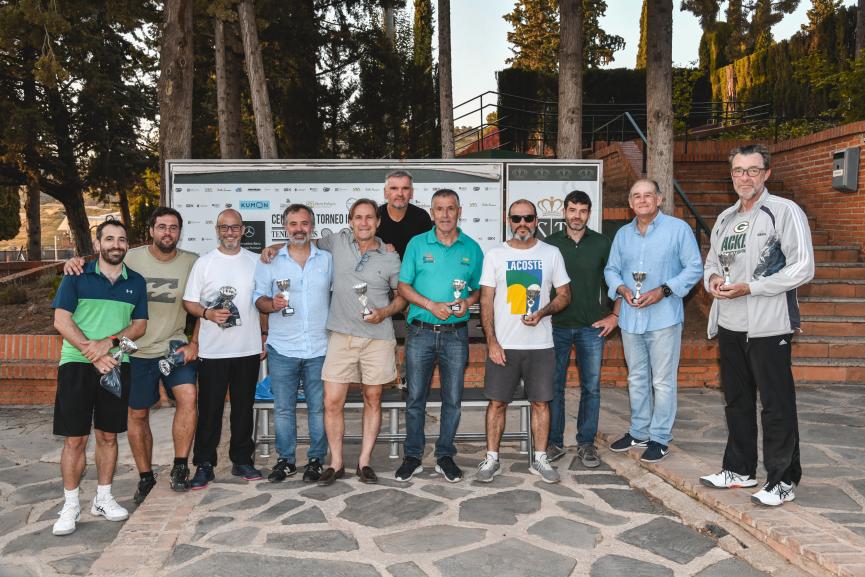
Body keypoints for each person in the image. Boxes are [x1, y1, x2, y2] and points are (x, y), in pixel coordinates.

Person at [699, 144, 814, 507]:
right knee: (737, 400)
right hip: (730, 322)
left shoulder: (784, 211)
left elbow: (803, 267)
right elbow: (711, 263)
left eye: (752, 170)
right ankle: (739, 469)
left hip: (770, 324)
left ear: (766, 173)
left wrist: (752, 287)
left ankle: (783, 480)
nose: (744, 177)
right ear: (731, 175)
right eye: (738, 170)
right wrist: (713, 280)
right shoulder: (725, 218)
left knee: (776, 405)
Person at [63, 207, 200, 502]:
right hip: (133, 351)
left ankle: (180, 466)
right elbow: (102, 261)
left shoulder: (193, 262)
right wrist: (74, 261)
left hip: (173, 346)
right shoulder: (130, 257)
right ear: (151, 230)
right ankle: (145, 476)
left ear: (180, 232)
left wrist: (195, 342)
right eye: (161, 226)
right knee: (137, 414)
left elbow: (203, 303)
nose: (167, 232)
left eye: (173, 227)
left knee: (188, 396)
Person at [51, 220, 147, 536]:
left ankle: (103, 498)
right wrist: (93, 353)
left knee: (108, 436)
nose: (116, 244)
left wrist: (110, 342)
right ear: (97, 244)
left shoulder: (136, 282)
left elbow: (139, 326)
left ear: (127, 245)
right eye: (109, 239)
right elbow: (61, 321)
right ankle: (70, 505)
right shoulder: (76, 275)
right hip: (76, 365)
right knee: (75, 439)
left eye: (121, 239)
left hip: (117, 365)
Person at [604, 179, 703, 463]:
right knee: (636, 378)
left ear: (659, 199)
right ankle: (639, 432)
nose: (643, 200)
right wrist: (621, 288)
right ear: (630, 203)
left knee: (662, 381)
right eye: (636, 196)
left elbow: (694, 267)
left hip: (664, 317)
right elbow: (611, 269)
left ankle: (659, 437)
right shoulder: (623, 234)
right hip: (631, 318)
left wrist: (664, 290)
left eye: (648, 195)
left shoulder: (678, 229)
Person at [476, 199, 571, 484]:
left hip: (540, 345)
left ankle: (540, 459)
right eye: (516, 218)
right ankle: (491, 458)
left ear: (536, 221)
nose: (522, 223)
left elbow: (565, 295)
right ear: (509, 221)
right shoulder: (495, 255)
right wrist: (492, 342)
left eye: (528, 218)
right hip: (504, 345)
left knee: (541, 403)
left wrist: (543, 312)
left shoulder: (551, 253)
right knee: (497, 403)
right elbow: (486, 301)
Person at [394, 189, 484, 483]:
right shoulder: (417, 244)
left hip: (455, 336)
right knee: (415, 398)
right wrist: (431, 305)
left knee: (453, 399)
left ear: (459, 211)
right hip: (420, 332)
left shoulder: (472, 248)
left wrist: (467, 302)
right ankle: (413, 456)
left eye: (450, 208)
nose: (445, 214)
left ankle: (445, 456)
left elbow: (478, 289)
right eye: (439, 209)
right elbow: (403, 287)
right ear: (432, 213)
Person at [316, 198, 406, 486]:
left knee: (373, 398)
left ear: (378, 222)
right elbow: (303, 243)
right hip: (341, 335)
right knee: (332, 401)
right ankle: (336, 463)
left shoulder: (391, 257)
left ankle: (364, 462)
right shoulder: (337, 242)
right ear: (350, 221)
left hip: (377, 339)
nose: (364, 223)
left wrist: (384, 312)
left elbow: (402, 297)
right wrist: (272, 249)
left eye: (369, 217)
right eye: (358, 217)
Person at [182, 209, 265, 489]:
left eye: (235, 227)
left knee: (243, 408)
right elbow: (189, 302)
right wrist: (207, 313)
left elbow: (261, 302)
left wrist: (264, 335)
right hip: (213, 351)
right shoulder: (204, 263)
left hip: (247, 349)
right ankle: (204, 463)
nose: (230, 232)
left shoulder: (256, 261)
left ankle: (242, 460)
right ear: (217, 231)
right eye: (224, 228)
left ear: (243, 230)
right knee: (209, 410)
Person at [253, 204, 332, 484]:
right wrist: (271, 304)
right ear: (285, 227)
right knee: (283, 409)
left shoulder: (327, 259)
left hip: (319, 348)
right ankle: (285, 461)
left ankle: (315, 460)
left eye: (304, 223)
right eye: (293, 224)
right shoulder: (270, 261)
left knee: (318, 409)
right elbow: (258, 298)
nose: (299, 229)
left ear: (312, 226)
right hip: (283, 347)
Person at [543, 190, 619, 468]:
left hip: (591, 327)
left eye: (583, 211)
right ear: (564, 212)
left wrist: (615, 315)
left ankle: (586, 443)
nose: (577, 216)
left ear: (589, 213)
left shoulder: (602, 243)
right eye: (572, 210)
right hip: (556, 326)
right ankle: (554, 442)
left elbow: (618, 280)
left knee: (591, 388)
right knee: (554, 386)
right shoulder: (549, 244)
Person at [376, 170, 433, 258]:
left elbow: (428, 253)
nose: (400, 194)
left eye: (405, 188)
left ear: (412, 193)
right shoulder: (375, 216)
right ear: (385, 193)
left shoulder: (422, 217)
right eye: (394, 188)